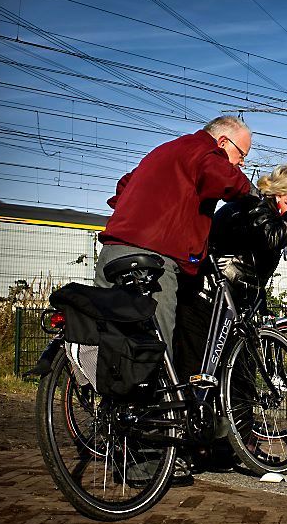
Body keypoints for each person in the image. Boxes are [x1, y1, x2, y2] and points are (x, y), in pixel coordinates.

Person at [95, 116, 255, 350]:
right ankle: (151, 385)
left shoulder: (165, 151)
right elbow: (224, 178)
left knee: (109, 334)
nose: (241, 163)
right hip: (151, 260)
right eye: (242, 155)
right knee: (158, 344)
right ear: (222, 143)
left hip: (112, 251)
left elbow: (124, 185)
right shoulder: (203, 151)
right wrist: (254, 194)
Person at [173, 163, 287, 384]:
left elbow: (252, 272)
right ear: (280, 194)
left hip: (233, 306)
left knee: (238, 380)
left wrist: (261, 306)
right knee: (197, 376)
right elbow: (270, 237)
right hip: (206, 301)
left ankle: (234, 419)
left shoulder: (268, 214)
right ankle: (185, 417)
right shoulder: (253, 206)